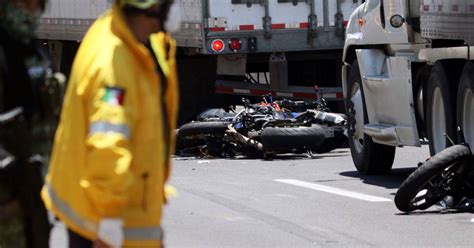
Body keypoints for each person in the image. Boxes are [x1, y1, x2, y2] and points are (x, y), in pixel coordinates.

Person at [41, 0, 180, 247]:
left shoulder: (141, 39)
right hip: (107, 221)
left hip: (126, 208)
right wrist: (108, 221)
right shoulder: (112, 66)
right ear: (151, 10)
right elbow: (107, 144)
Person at [0, 0, 56, 247]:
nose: (29, 12)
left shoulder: (35, 53)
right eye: (22, 4)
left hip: (31, 194)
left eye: (35, 5)